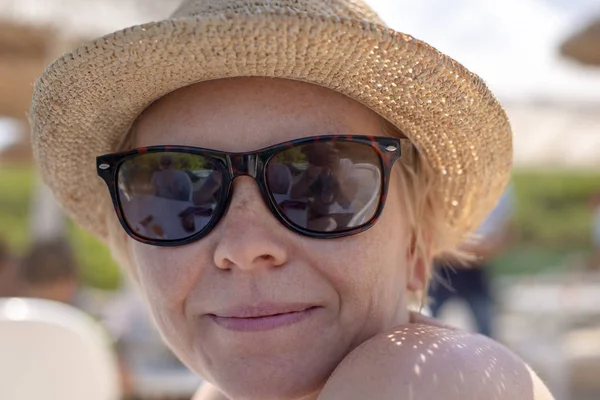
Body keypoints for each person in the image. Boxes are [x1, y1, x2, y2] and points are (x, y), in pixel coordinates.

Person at [29, 0, 554, 399]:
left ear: (414, 248)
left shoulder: (431, 375)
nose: (243, 244)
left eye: (319, 187)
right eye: (171, 193)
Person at [428, 186, 514, 338]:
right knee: (425, 327)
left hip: (474, 267)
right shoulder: (438, 185)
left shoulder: (502, 188)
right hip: (446, 266)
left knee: (486, 327)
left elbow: (507, 230)